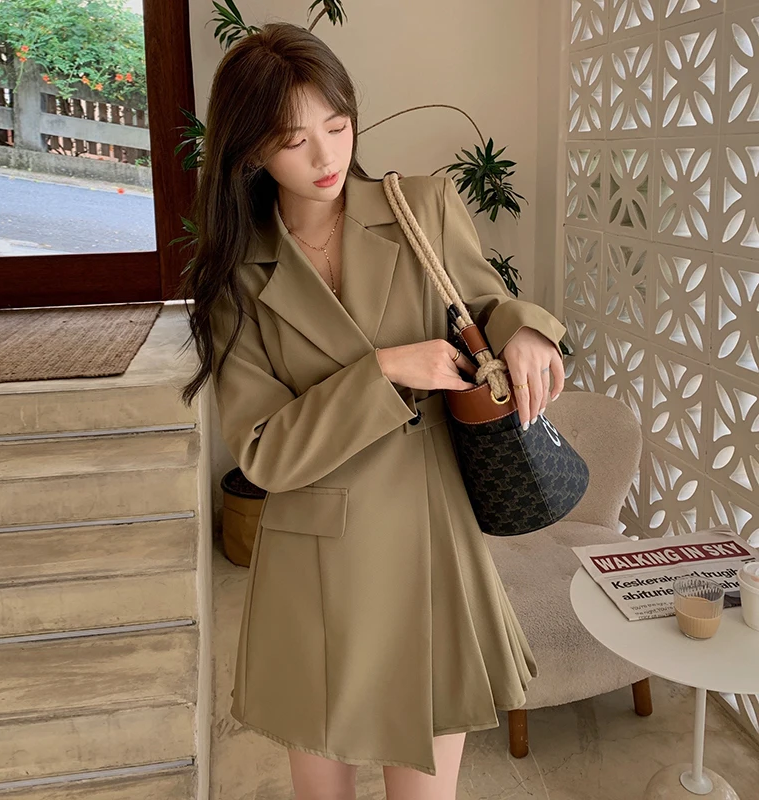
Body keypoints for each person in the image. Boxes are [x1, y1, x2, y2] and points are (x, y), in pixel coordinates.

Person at [181, 21, 566, 800]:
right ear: (250, 152)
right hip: (314, 564)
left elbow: (486, 305)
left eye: (337, 125)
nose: (325, 156)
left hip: (431, 537)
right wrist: (385, 372)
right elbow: (265, 450)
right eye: (293, 140)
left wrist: (526, 331)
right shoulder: (238, 280)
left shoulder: (422, 206)